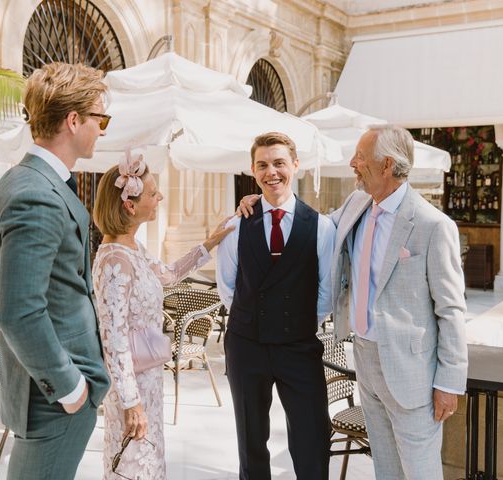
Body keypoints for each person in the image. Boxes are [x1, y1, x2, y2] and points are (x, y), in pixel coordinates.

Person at [240, 125, 468, 479]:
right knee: (386, 467)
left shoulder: (432, 225)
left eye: (360, 157)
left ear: (387, 165)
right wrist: (266, 201)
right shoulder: (356, 204)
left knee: (420, 470)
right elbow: (308, 227)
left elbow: (451, 309)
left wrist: (449, 383)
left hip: (411, 373)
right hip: (364, 360)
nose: (352, 163)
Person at [0, 63, 112, 479]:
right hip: (55, 397)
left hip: (43, 387)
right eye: (99, 118)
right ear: (73, 120)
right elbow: (19, 312)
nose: (102, 129)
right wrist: (68, 385)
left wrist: (27, 328)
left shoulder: (18, 180)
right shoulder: (38, 195)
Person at [92, 151, 234, 480]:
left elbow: (168, 275)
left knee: (149, 464)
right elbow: (113, 340)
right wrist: (130, 403)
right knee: (132, 466)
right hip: (133, 390)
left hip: (150, 380)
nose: (160, 197)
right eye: (153, 193)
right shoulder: (115, 259)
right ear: (130, 205)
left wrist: (211, 241)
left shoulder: (133, 248)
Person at [216, 132, 335, 480]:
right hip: (246, 344)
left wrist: (294, 323)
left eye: (279, 163)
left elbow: (326, 292)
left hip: (298, 345)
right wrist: (255, 318)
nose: (272, 172)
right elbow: (228, 287)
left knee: (312, 440)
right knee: (251, 442)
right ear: (253, 171)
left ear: (295, 165)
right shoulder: (236, 225)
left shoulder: (321, 227)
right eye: (263, 165)